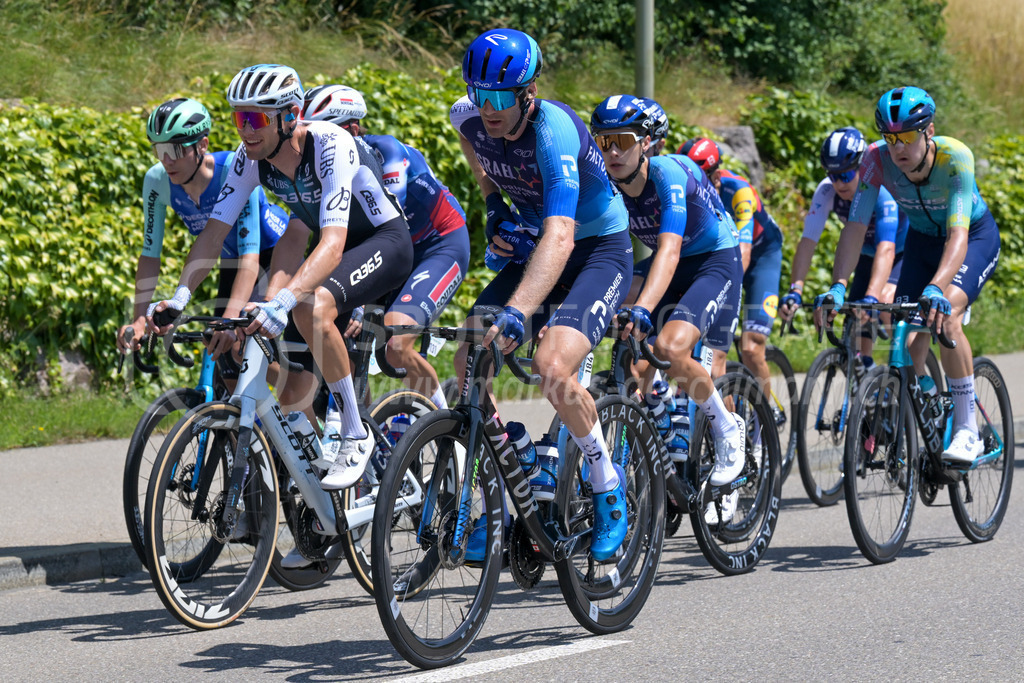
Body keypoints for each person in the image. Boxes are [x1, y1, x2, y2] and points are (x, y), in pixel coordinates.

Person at [147, 64, 414, 490]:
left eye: (254, 119)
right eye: (239, 119)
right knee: (287, 378)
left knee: (311, 307)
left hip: (385, 241)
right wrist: (179, 297)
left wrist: (284, 301)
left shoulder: (331, 144)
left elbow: (331, 242)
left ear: (289, 115)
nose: (245, 131)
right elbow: (215, 235)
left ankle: (354, 432)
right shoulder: (248, 159)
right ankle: (317, 506)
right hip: (334, 252)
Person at [452, 29, 634, 561]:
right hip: (539, 246)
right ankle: (517, 470)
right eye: (479, 94)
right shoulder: (469, 115)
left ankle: (606, 482)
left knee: (553, 366)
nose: (488, 109)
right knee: (468, 360)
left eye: (502, 98)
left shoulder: (553, 131)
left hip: (595, 247)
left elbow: (562, 234)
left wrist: (517, 312)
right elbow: (477, 152)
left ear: (528, 93)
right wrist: (492, 203)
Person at [815, 86, 1001, 463]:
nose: (898, 147)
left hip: (972, 238)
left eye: (907, 137)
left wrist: (936, 286)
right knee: (905, 330)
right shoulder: (874, 160)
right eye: (890, 137)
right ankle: (933, 402)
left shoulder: (955, 157)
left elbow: (958, 235)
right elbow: (854, 227)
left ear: (928, 131)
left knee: (944, 317)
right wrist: (837, 284)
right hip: (921, 241)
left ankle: (967, 429)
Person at [590, 94, 745, 522]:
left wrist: (642, 308)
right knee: (636, 367)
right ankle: (661, 416)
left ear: (649, 143)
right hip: (665, 263)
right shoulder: (607, 185)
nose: (613, 152)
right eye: (604, 142)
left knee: (671, 349)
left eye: (623, 140)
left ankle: (728, 432)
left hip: (713, 260)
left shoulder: (669, 174)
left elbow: (671, 250)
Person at [300, 84, 470, 409]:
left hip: (437, 246)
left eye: (323, 132)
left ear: (350, 128)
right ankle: (362, 433)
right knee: (347, 342)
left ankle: (446, 432)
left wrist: (363, 302)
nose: (316, 144)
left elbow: (393, 228)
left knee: (395, 345)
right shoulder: (323, 169)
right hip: (392, 251)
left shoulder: (387, 153)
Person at [117, 97, 288, 365]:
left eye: (175, 150)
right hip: (233, 261)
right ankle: (236, 409)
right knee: (222, 356)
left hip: (274, 256)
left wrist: (232, 320)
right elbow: (150, 254)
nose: (166, 161)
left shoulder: (234, 170)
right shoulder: (156, 181)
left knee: (241, 346)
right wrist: (140, 319)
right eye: (159, 150)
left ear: (202, 145)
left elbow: (249, 256)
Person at [779, 127, 908, 366]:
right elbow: (808, 242)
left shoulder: (881, 191)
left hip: (901, 251)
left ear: (861, 167)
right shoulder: (826, 191)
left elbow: (886, 248)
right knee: (858, 319)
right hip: (866, 255)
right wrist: (796, 290)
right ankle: (867, 378)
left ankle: (902, 369)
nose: (839, 183)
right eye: (832, 175)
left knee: (884, 302)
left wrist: (872, 297)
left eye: (846, 175)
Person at [681, 137, 784, 410]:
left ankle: (764, 422)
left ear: (716, 175)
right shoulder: (687, 191)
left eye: (703, 177)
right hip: (721, 257)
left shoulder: (739, 191)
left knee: (751, 347)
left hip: (762, 258)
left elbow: (744, 251)